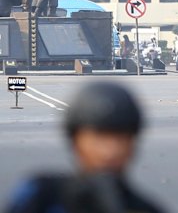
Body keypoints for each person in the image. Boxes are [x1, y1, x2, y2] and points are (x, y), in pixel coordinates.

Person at [3, 82, 165, 212]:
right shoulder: (41, 195)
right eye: (98, 137)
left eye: (120, 138)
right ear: (75, 139)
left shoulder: (145, 209)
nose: (109, 151)